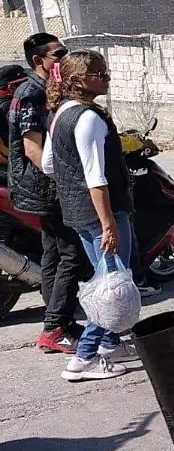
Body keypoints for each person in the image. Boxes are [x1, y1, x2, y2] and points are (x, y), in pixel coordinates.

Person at [43, 50, 140, 381]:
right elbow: (96, 177)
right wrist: (108, 222)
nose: (106, 77)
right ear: (75, 81)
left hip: (80, 212)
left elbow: (49, 165)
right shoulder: (88, 118)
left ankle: (111, 344)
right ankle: (83, 359)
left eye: (105, 71)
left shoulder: (61, 113)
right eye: (98, 73)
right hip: (101, 214)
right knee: (112, 288)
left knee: (110, 278)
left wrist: (73, 190)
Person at [8, 34, 87, 354]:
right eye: (58, 54)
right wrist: (65, 180)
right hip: (45, 188)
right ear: (39, 60)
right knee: (72, 253)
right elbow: (32, 148)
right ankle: (55, 326)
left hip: (47, 187)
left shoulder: (45, 90)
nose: (64, 58)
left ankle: (58, 323)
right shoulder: (30, 94)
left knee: (54, 253)